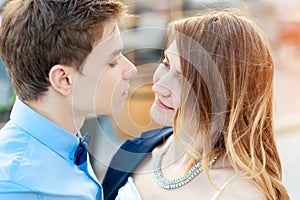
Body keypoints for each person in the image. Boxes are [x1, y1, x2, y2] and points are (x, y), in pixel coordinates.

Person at [102, 9, 290, 200]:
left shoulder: (239, 192)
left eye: (184, 78)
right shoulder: (134, 150)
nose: (159, 86)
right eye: (166, 64)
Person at [0, 0, 136, 199]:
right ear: (63, 79)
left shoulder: (65, 143)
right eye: (112, 62)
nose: (131, 69)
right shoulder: (18, 187)